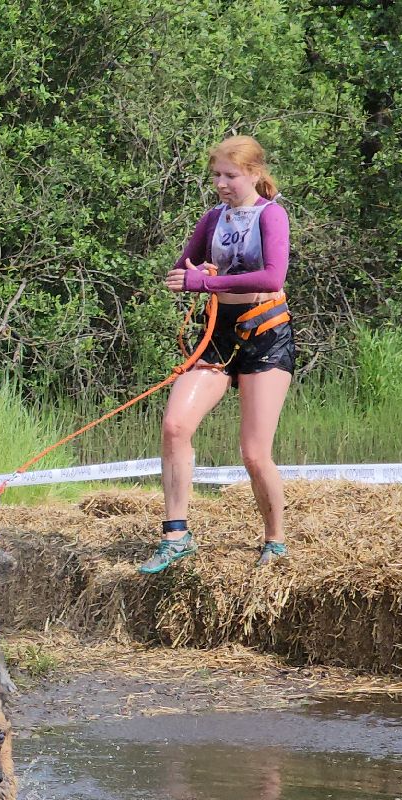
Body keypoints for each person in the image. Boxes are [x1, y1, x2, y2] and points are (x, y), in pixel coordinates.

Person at [141, 135, 296, 574]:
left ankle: (275, 539)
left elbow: (272, 276)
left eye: (230, 175)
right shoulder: (213, 218)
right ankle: (175, 534)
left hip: (266, 334)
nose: (222, 184)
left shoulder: (273, 215)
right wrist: (191, 274)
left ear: (253, 173)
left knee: (253, 452)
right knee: (175, 425)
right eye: (216, 175)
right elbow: (183, 269)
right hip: (217, 334)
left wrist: (205, 283)